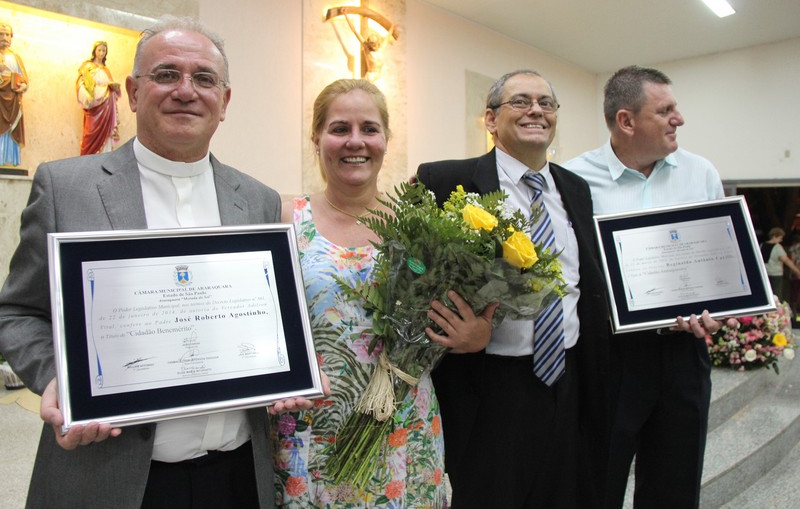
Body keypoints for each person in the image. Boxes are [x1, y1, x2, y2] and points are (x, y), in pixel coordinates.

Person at [0, 16, 318, 509]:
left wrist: (285, 367)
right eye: (166, 74)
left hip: (236, 474)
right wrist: (56, 379)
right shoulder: (67, 187)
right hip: (110, 474)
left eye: (204, 79)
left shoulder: (256, 199)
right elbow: (18, 312)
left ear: (225, 101)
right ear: (130, 91)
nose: (185, 91)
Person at [271, 78, 494, 507]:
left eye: (369, 129)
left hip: (402, 420)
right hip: (310, 423)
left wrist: (476, 336)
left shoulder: (421, 226)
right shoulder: (284, 217)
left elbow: (459, 313)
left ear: (386, 140)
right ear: (316, 138)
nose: (356, 141)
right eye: (339, 128)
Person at [416, 70, 612, 508]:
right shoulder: (446, 180)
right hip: (489, 389)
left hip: (567, 377)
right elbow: (413, 276)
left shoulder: (575, 189)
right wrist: (455, 334)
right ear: (490, 119)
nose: (536, 110)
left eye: (546, 102)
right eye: (520, 101)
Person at [564, 65, 729, 508]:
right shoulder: (573, 180)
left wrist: (722, 307)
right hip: (609, 356)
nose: (680, 119)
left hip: (683, 356)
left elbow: (721, 263)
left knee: (675, 487)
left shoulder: (701, 174)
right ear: (626, 120)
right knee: (598, 481)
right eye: (666, 110)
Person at [76, 40, 121, 155]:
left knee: (106, 137)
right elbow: (81, 84)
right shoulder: (88, 67)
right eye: (99, 50)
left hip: (107, 107)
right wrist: (87, 96)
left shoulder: (106, 70)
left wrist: (113, 87)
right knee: (90, 133)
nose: (101, 53)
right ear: (94, 51)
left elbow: (113, 90)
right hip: (93, 108)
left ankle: (104, 157)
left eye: (104, 51)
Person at [0, 21, 28, 167]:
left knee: (12, 129)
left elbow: (24, 79)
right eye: (1, 34)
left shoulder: (15, 57)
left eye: (7, 34)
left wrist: (23, 85)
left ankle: (10, 160)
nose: (4, 37)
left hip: (13, 100)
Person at [761, 227, 800, 302]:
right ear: (774, 236)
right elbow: (787, 261)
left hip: (765, 273)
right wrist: (797, 271)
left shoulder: (762, 245)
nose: (781, 240)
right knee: (777, 295)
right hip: (776, 274)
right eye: (780, 238)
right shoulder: (777, 247)